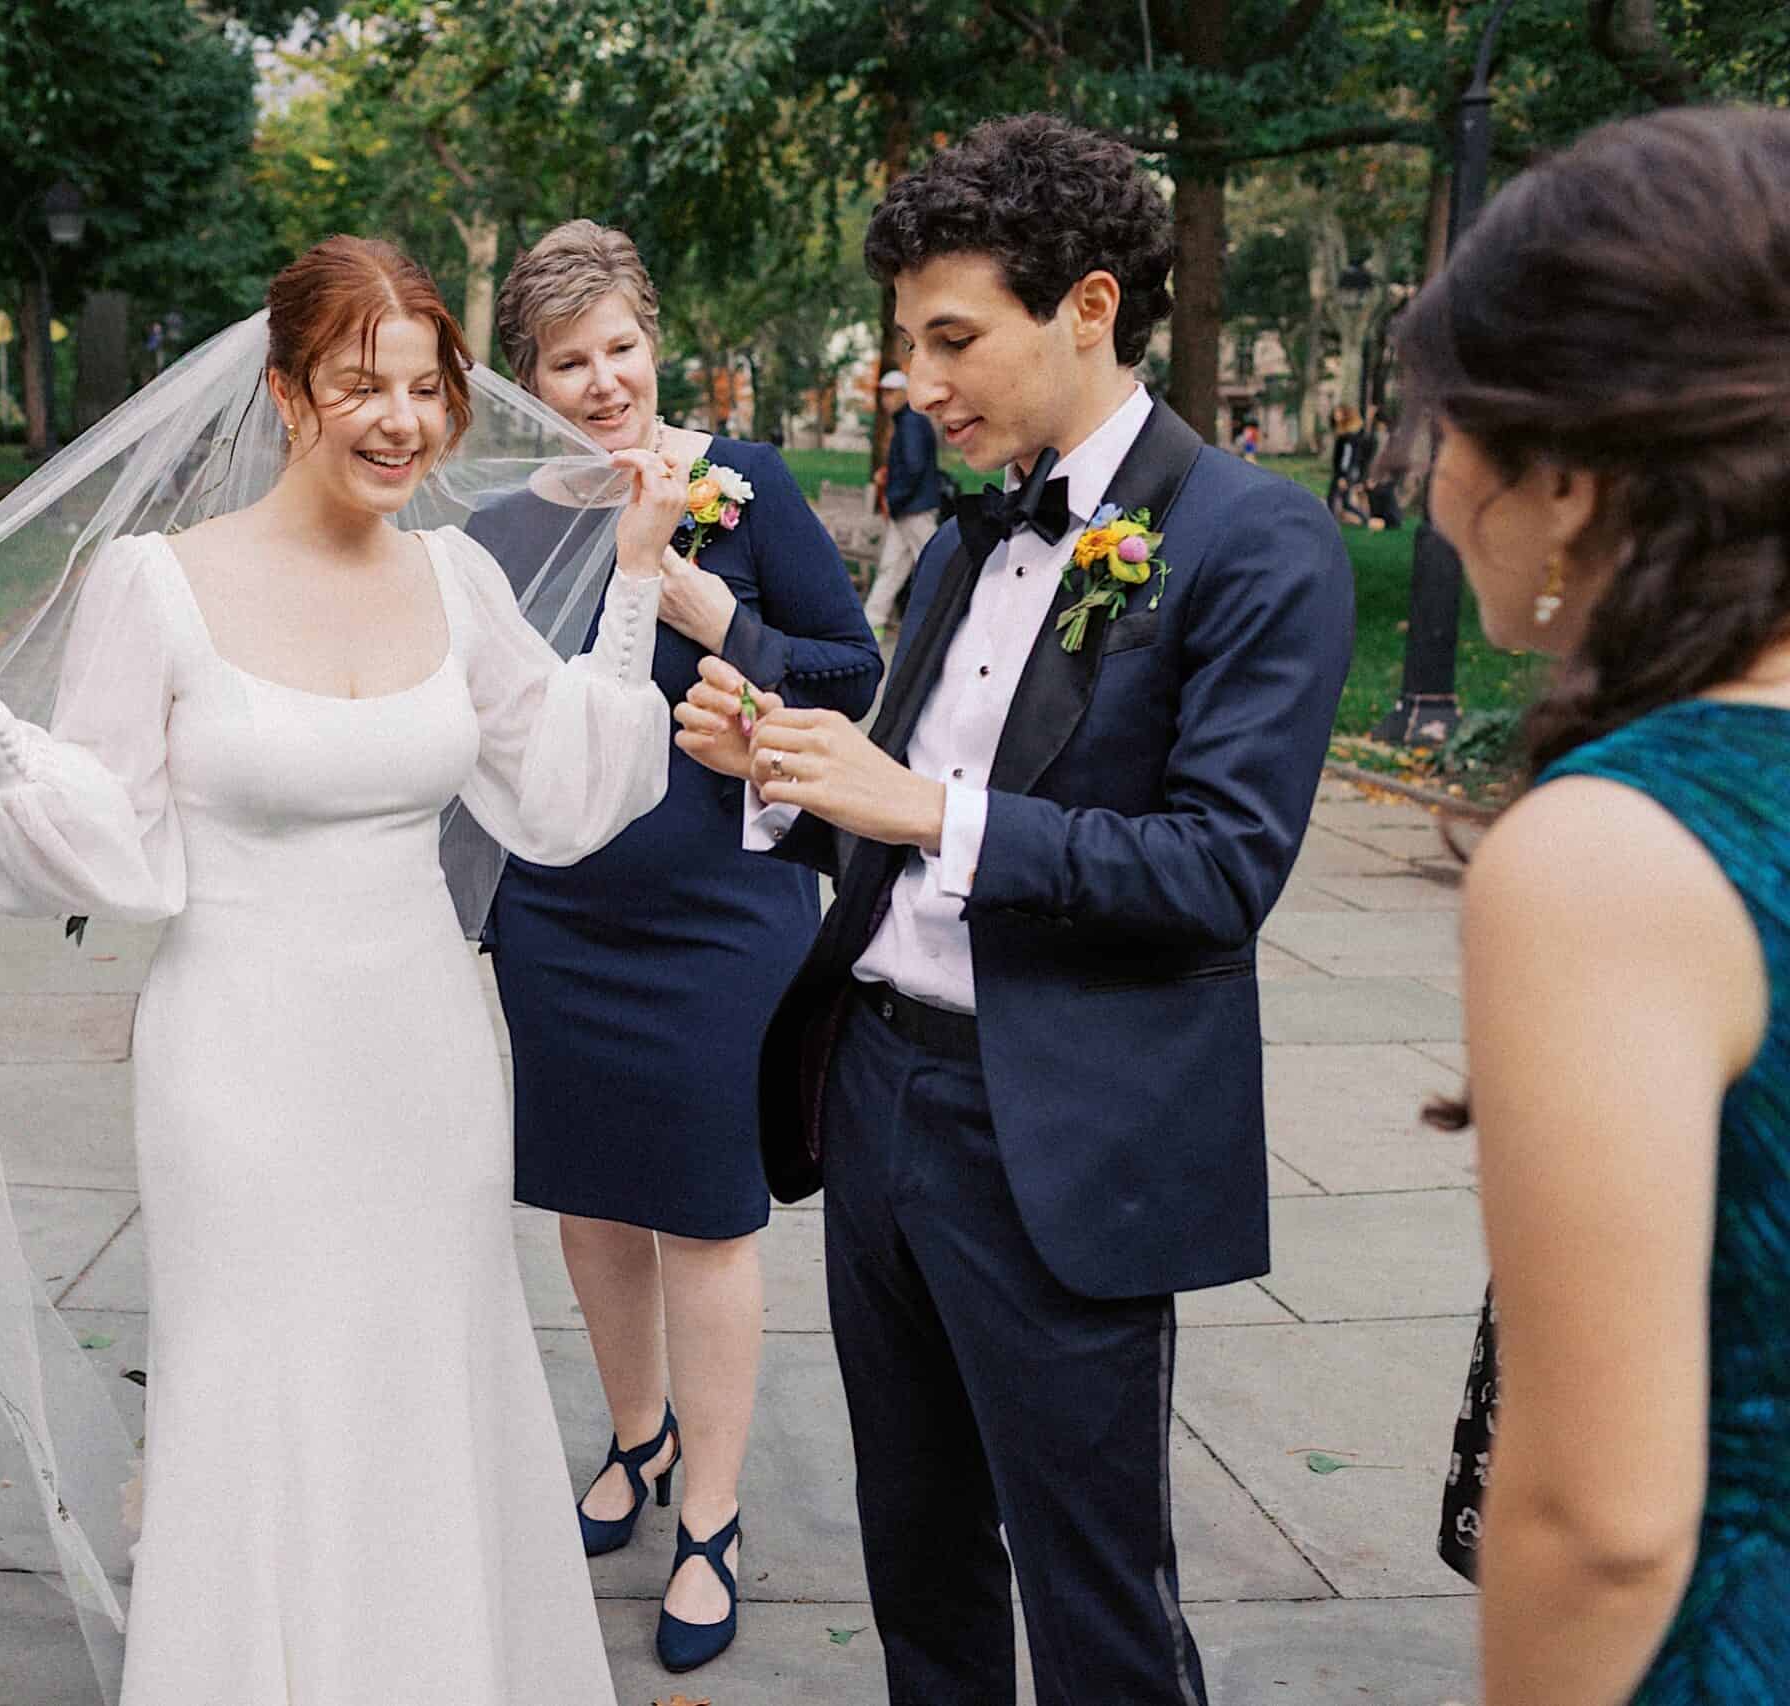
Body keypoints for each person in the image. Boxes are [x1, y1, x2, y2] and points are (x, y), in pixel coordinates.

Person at [0, 235, 683, 1705]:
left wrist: (635, 579)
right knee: (261, 1378)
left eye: (427, 387)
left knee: (428, 1366)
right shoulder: (160, 585)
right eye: (358, 384)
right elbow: (108, 840)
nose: (400, 419)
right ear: (285, 392)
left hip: (426, 1051)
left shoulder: (456, 577)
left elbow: (567, 784)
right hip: (241, 1059)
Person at [675, 114, 1353, 1704]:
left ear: (1093, 306)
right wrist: (786, 769)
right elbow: (900, 797)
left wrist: (923, 806)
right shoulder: (981, 529)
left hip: (1060, 1133)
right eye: (907, 342)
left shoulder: (1257, 540)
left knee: (1094, 1597)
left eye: (954, 337)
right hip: (878, 1095)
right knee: (917, 1566)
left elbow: (1216, 871)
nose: (918, 382)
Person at [1405, 106, 1790, 1705]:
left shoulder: (1614, 850)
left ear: (1563, 475)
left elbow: (1603, 1519)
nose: (1431, 481)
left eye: (1450, 426)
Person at [477, 218, 882, 1671]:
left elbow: (854, 670)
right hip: (561, 914)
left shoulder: (745, 485)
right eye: (569, 360)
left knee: (708, 1211)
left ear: (659, 341)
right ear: (529, 377)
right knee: (593, 1198)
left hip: (725, 913)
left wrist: (727, 618)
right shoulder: (498, 530)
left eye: (623, 349)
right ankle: (636, 1433)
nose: (604, 382)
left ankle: (709, 1514)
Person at [866, 367, 952, 638]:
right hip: (908, 508)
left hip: (915, 508)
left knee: (933, 563)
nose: (885, 400)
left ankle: (946, 620)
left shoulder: (911, 423)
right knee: (892, 566)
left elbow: (914, 468)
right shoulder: (907, 421)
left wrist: (895, 497)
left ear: (905, 394)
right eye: (883, 394)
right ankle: (872, 622)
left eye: (891, 393)